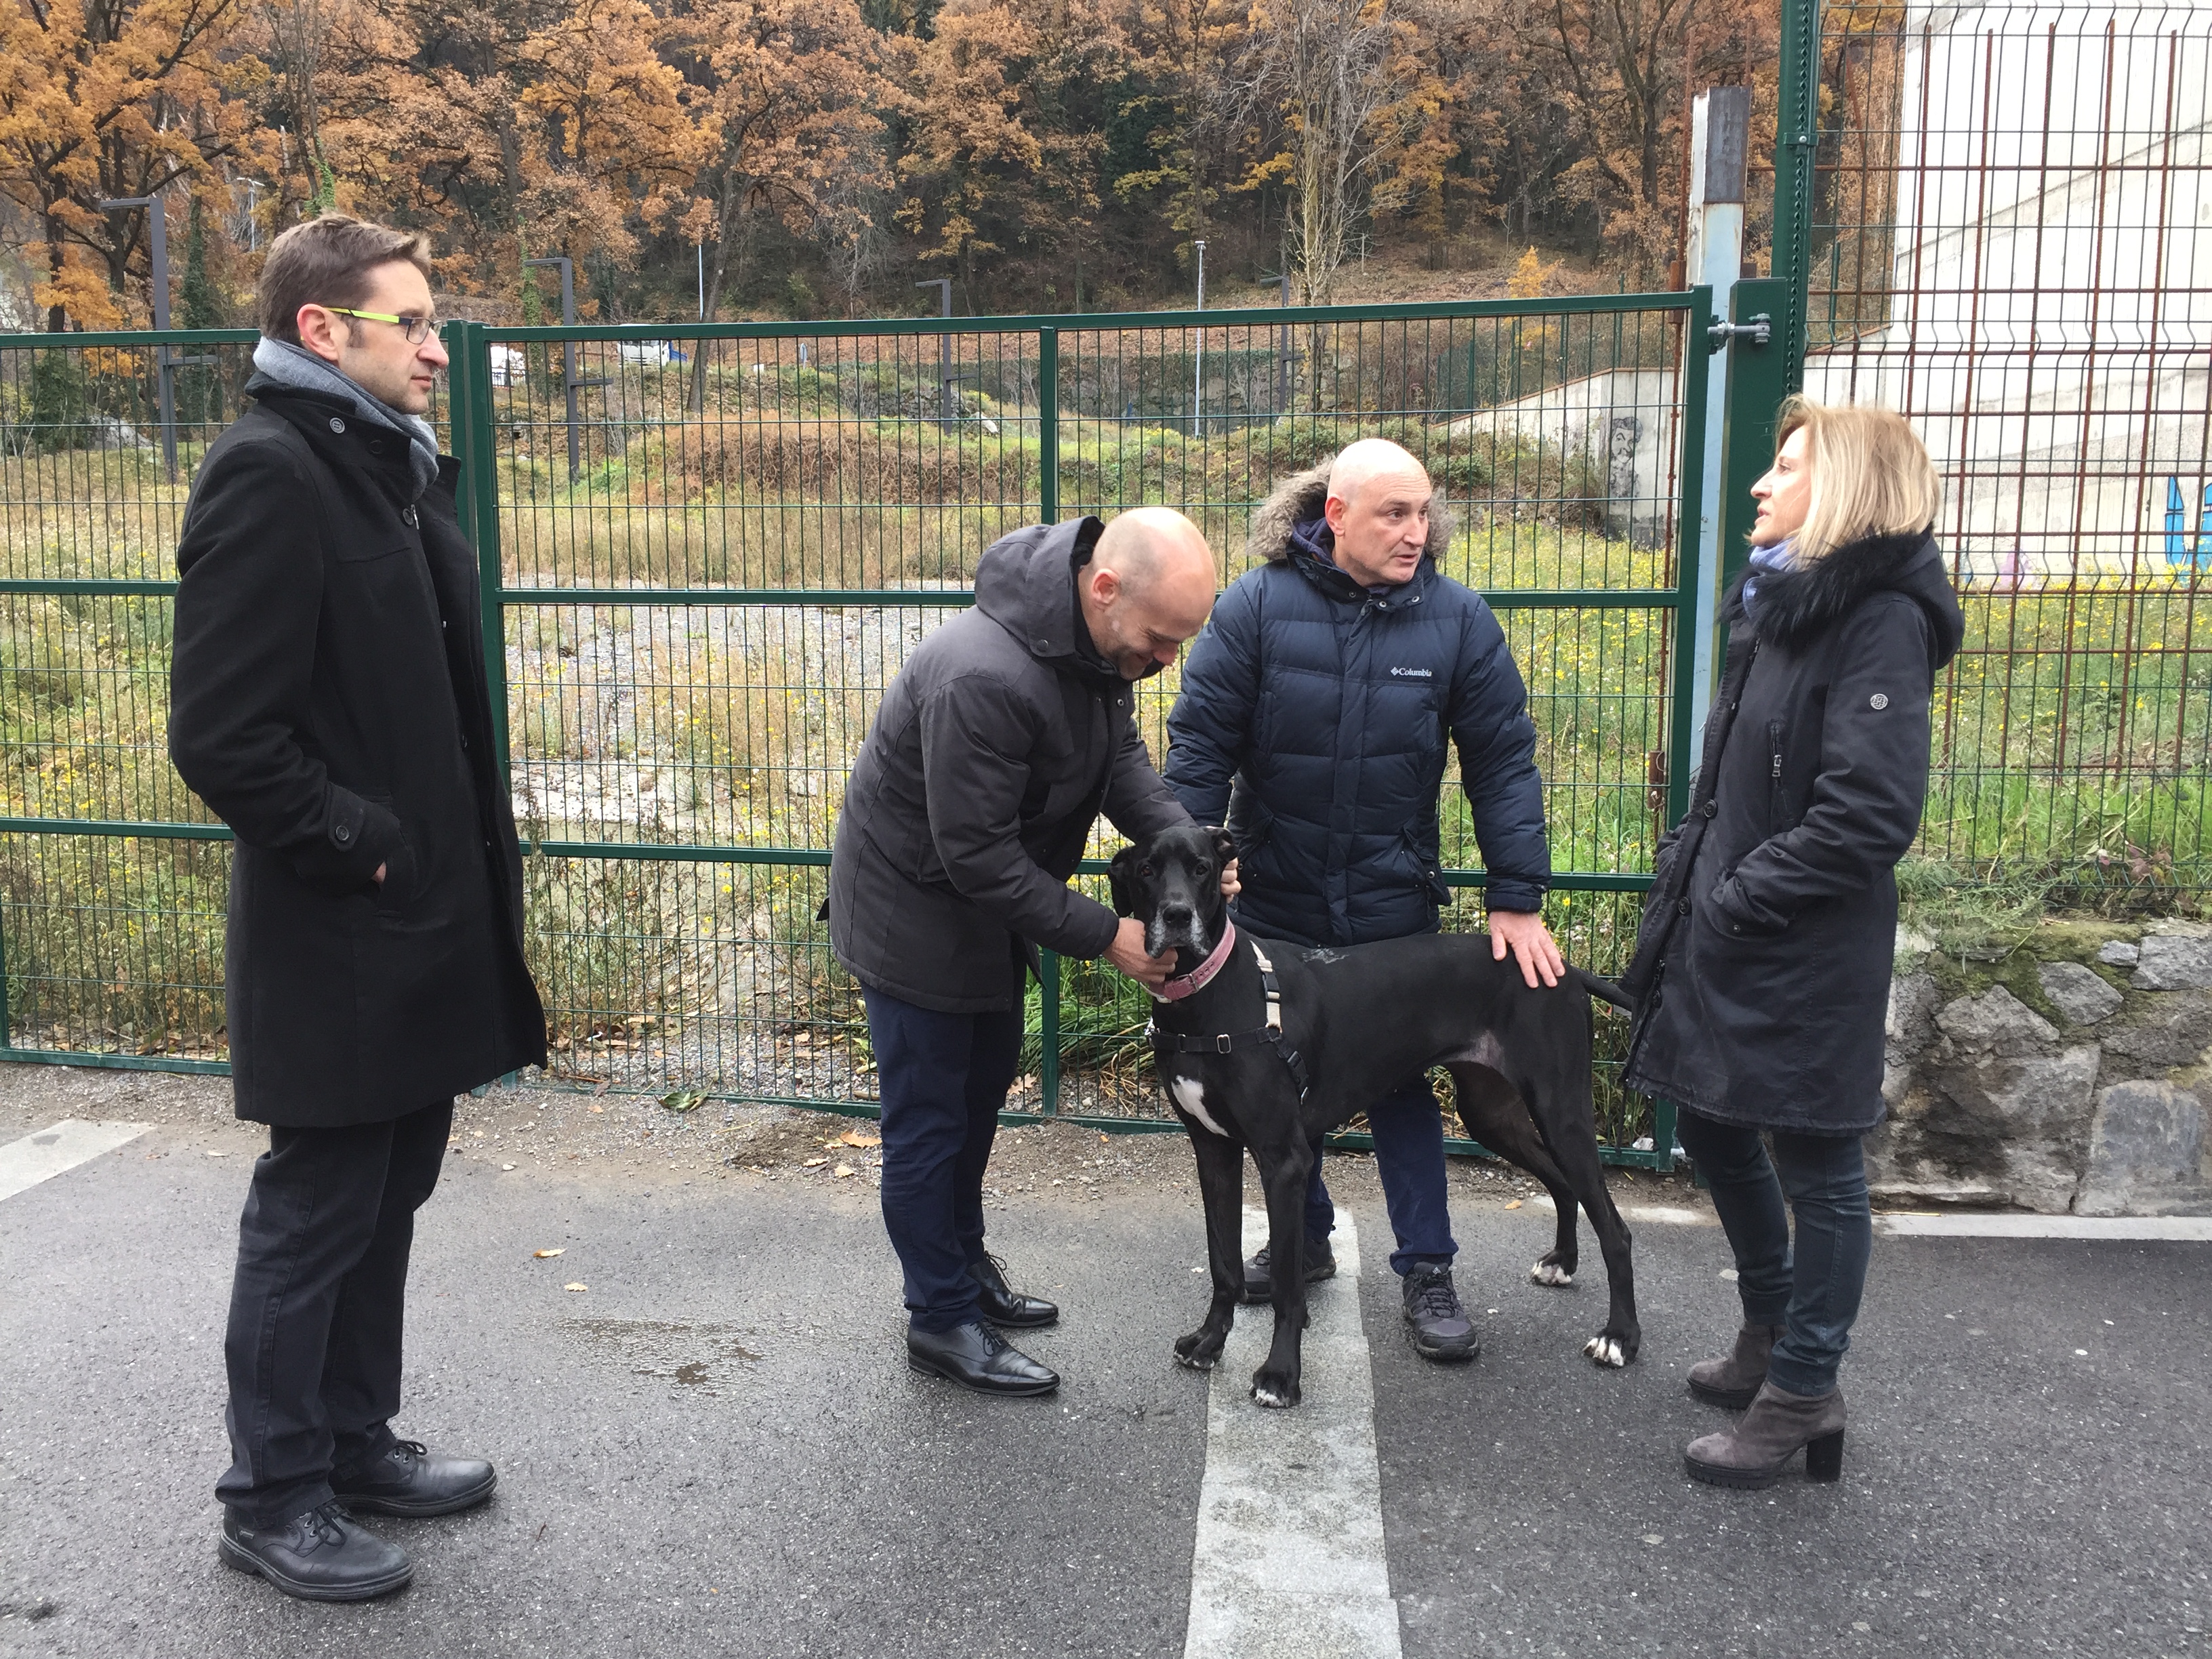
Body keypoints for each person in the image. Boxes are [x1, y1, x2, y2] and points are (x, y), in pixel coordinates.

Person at [169, 216, 546, 1599]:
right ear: (323, 331)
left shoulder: (384, 468)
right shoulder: (271, 472)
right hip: (341, 931)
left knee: (390, 1193)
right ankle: (271, 1496)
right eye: (415, 324)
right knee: (318, 1207)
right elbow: (223, 736)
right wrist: (367, 846)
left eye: (436, 323)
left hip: (422, 923)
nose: (438, 348)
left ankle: (350, 1441)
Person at [1620, 398, 1962, 1488]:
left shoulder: (1880, 620)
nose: (1762, 484)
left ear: (1850, 488)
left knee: (1819, 1165)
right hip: (1735, 924)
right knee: (1712, 1126)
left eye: (1788, 466)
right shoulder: (1781, 605)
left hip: (1804, 943)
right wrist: (1700, 877)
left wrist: (1742, 894)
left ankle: (1807, 1386)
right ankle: (1769, 1332)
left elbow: (1869, 814)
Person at [1164, 438, 1562, 1364]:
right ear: (1335, 515)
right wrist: (1193, 867)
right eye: (1395, 514)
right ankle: (1301, 1244)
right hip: (1275, 896)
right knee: (1271, 1077)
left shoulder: (1457, 620)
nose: (1418, 531)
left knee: (1400, 1086)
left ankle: (1428, 1268)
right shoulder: (1255, 609)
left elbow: (1503, 762)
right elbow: (1199, 748)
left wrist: (1517, 895)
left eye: (1424, 512)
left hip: (1391, 902)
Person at [829, 508, 1226, 1396]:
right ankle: (939, 1318)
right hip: (913, 916)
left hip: (986, 913)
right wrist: (1109, 936)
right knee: (930, 1126)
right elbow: (975, 855)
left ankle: (963, 1269)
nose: (1167, 661)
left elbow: (1120, 762)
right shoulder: (984, 674)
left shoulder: (1098, 651)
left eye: (1180, 643)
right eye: (1161, 641)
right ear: (1104, 588)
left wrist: (1185, 845)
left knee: (976, 1106)